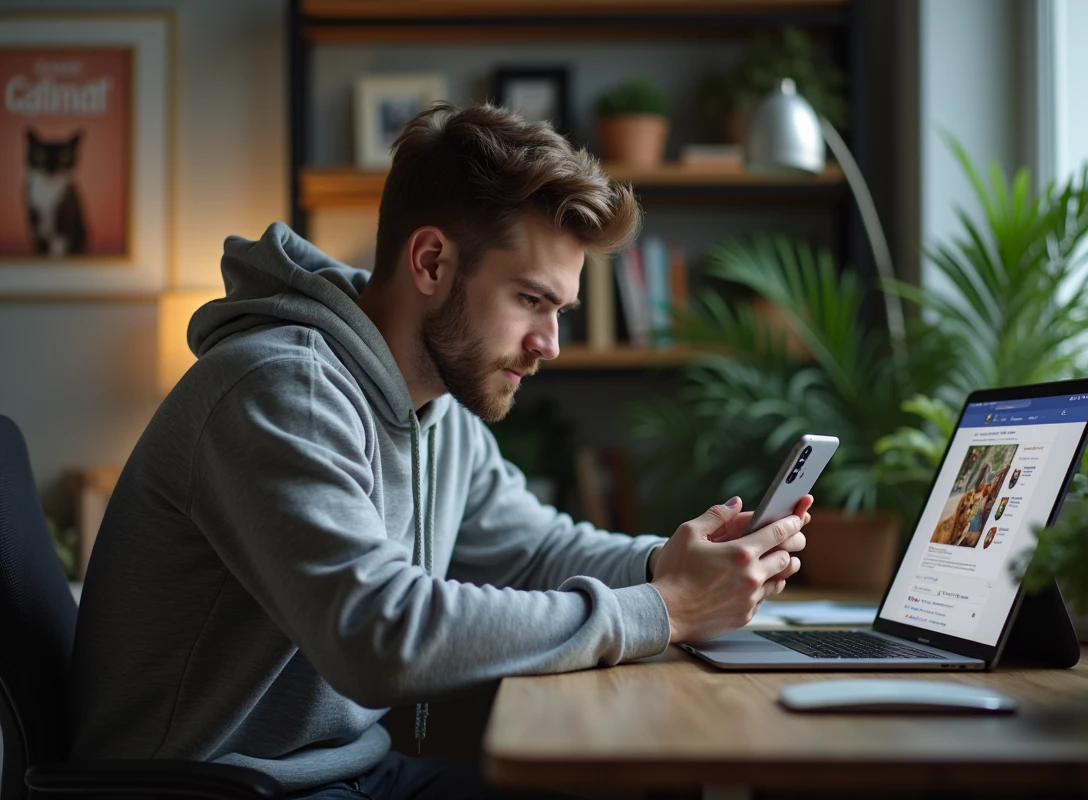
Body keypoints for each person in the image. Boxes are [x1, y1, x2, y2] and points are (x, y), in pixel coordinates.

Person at [67, 103, 811, 800]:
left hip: (353, 774)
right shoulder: (278, 389)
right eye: (531, 301)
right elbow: (381, 634)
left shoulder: (438, 411)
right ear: (430, 262)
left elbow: (535, 551)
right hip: (220, 786)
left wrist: (673, 567)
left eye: (560, 310)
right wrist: (662, 609)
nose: (549, 344)